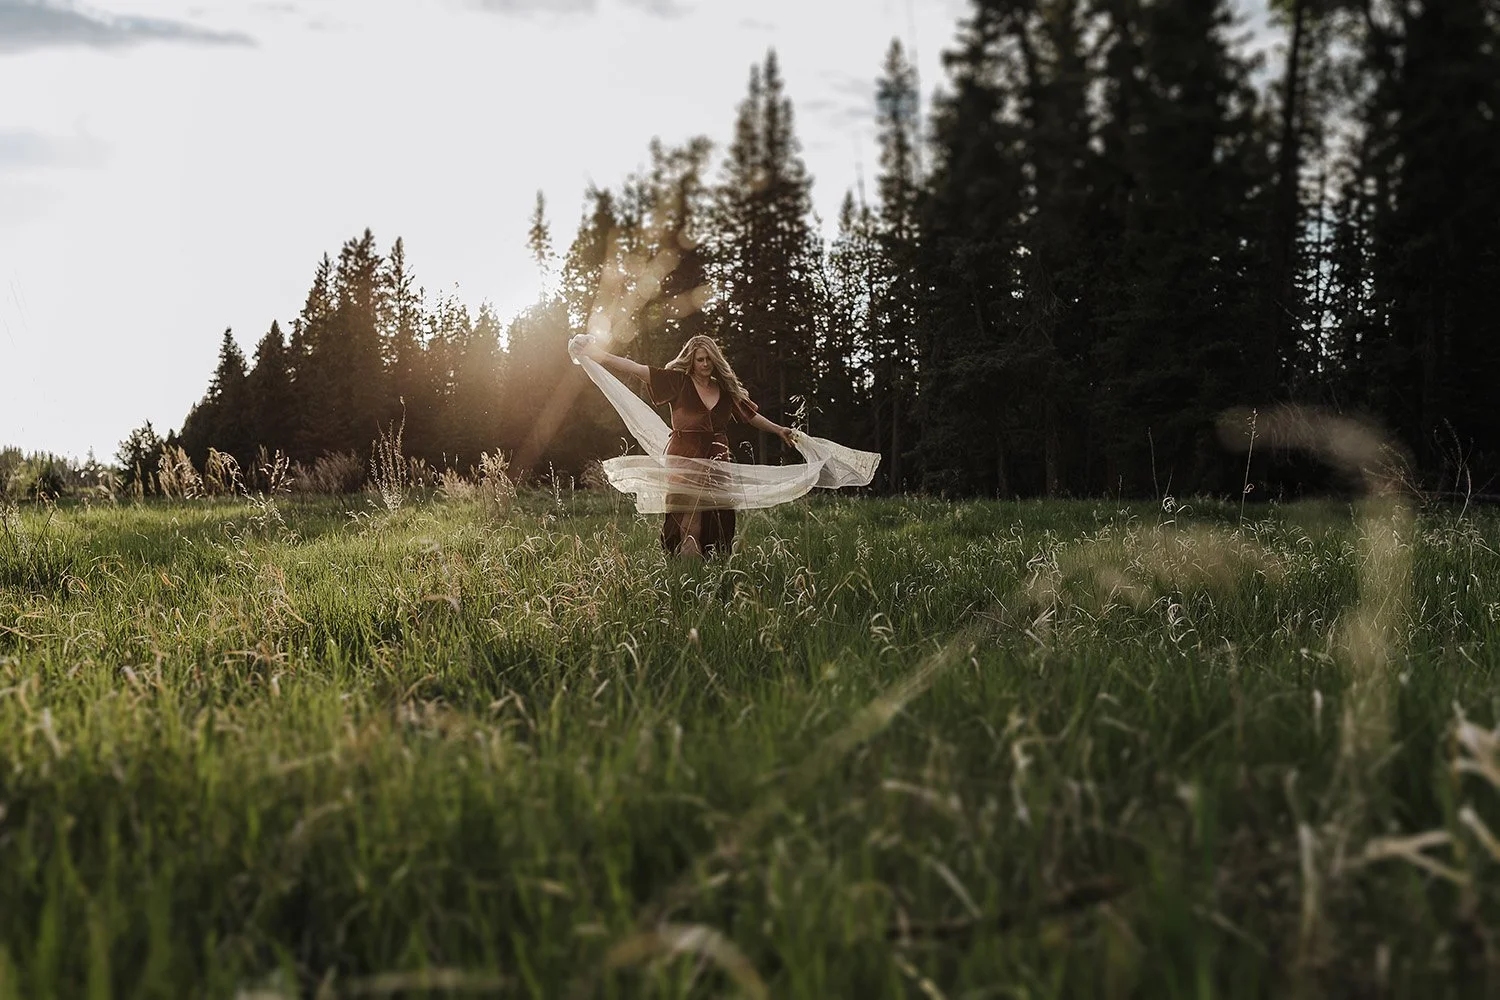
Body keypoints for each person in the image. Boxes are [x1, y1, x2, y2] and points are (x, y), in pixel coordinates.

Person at [580, 334, 795, 558]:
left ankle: (715, 565)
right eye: (700, 359)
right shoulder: (677, 381)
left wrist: (779, 430)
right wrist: (598, 354)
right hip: (684, 456)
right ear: (691, 361)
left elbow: (751, 416)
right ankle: (685, 568)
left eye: (709, 359)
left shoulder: (726, 390)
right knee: (687, 517)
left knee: (718, 515)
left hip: (717, 458)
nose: (705, 364)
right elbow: (636, 368)